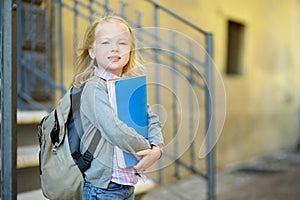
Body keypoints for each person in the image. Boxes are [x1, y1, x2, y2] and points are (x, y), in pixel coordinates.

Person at [72, 15, 164, 200]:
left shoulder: (129, 86)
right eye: (105, 42)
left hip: (127, 183)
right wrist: (146, 149)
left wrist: (157, 148)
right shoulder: (93, 87)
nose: (114, 48)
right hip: (103, 187)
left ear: (130, 50)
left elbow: (150, 118)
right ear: (92, 51)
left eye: (122, 43)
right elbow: (113, 129)